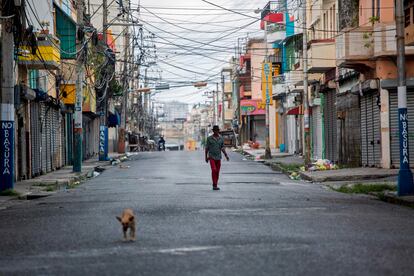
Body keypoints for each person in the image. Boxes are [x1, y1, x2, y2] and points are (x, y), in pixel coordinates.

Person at [205, 125, 229, 190]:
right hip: (211, 157)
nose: (216, 131)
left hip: (218, 157)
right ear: (213, 131)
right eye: (215, 130)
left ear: (218, 131)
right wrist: (206, 157)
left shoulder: (221, 138)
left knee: (217, 171)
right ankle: (214, 184)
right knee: (214, 170)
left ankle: (215, 184)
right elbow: (207, 148)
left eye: (217, 130)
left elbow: (222, 148)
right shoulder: (209, 138)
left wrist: (226, 155)